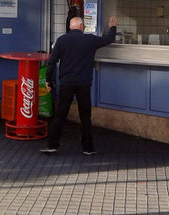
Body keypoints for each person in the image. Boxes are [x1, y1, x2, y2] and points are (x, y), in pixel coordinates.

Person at [40, 16, 117, 155]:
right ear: (82, 27)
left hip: (66, 83)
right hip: (83, 83)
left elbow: (51, 62)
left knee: (60, 115)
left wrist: (48, 81)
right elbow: (109, 39)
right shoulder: (90, 40)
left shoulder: (62, 40)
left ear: (70, 27)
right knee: (85, 116)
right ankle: (87, 148)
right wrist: (112, 26)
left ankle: (52, 145)